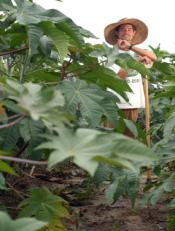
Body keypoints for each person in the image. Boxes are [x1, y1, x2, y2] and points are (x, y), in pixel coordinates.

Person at [104, 18, 157, 137]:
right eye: (122, 29)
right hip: (115, 104)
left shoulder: (137, 52)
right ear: (117, 33)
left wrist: (131, 47)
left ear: (134, 33)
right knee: (111, 141)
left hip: (133, 104)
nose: (126, 31)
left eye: (129, 29)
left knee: (129, 142)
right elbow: (117, 77)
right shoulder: (110, 53)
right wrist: (136, 63)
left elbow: (153, 57)